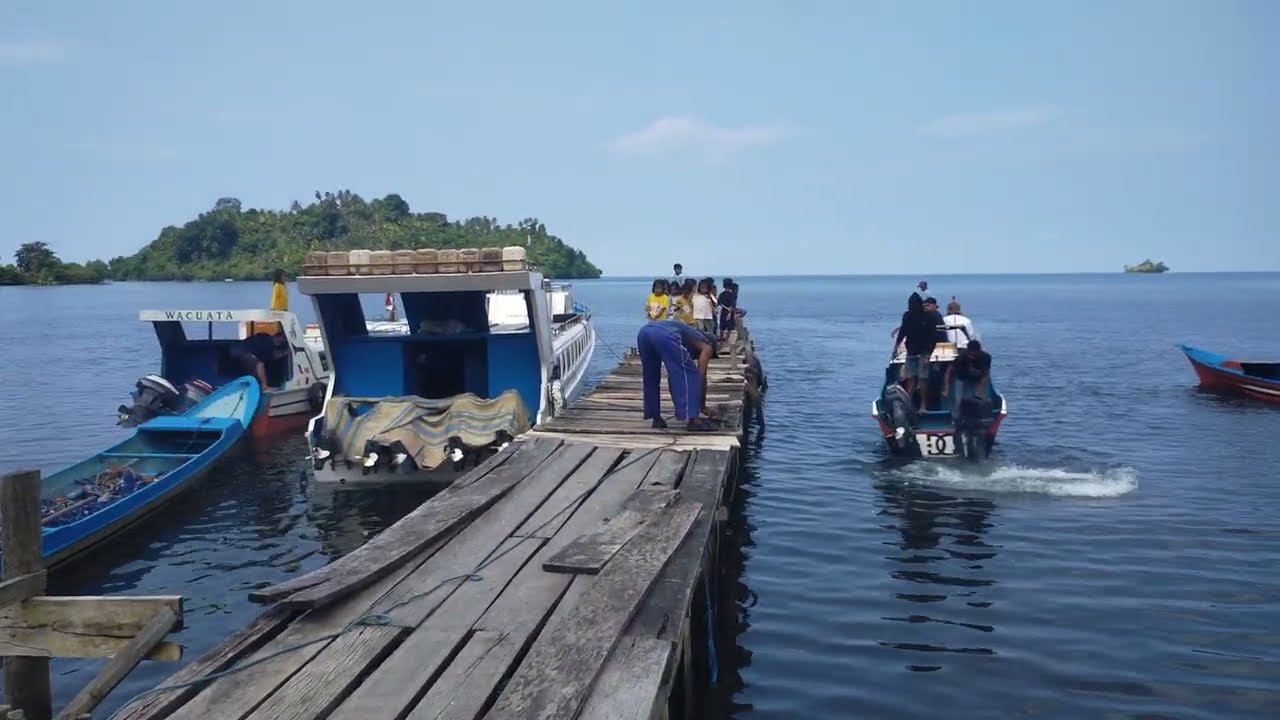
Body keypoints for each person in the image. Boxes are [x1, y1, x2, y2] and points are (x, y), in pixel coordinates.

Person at [636, 319, 718, 431]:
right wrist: (702, 406)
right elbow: (700, 376)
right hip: (663, 334)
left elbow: (673, 378)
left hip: (644, 333)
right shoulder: (706, 345)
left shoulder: (686, 337)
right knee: (691, 374)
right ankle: (694, 421)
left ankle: (656, 418)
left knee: (651, 377)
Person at [892, 292, 939, 411]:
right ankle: (915, 404)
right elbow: (932, 338)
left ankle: (917, 405)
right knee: (918, 379)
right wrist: (928, 353)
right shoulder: (927, 316)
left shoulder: (914, 316)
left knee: (915, 379)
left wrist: (927, 353)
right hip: (916, 352)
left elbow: (931, 337)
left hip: (918, 352)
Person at [943, 340, 992, 417]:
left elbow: (985, 374)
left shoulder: (986, 358)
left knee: (979, 400)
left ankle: (978, 416)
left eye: (974, 354)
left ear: (979, 352)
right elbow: (948, 371)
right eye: (970, 354)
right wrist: (946, 388)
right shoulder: (961, 358)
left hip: (977, 379)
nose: (972, 356)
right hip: (962, 378)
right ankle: (957, 418)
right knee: (959, 400)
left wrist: (979, 393)